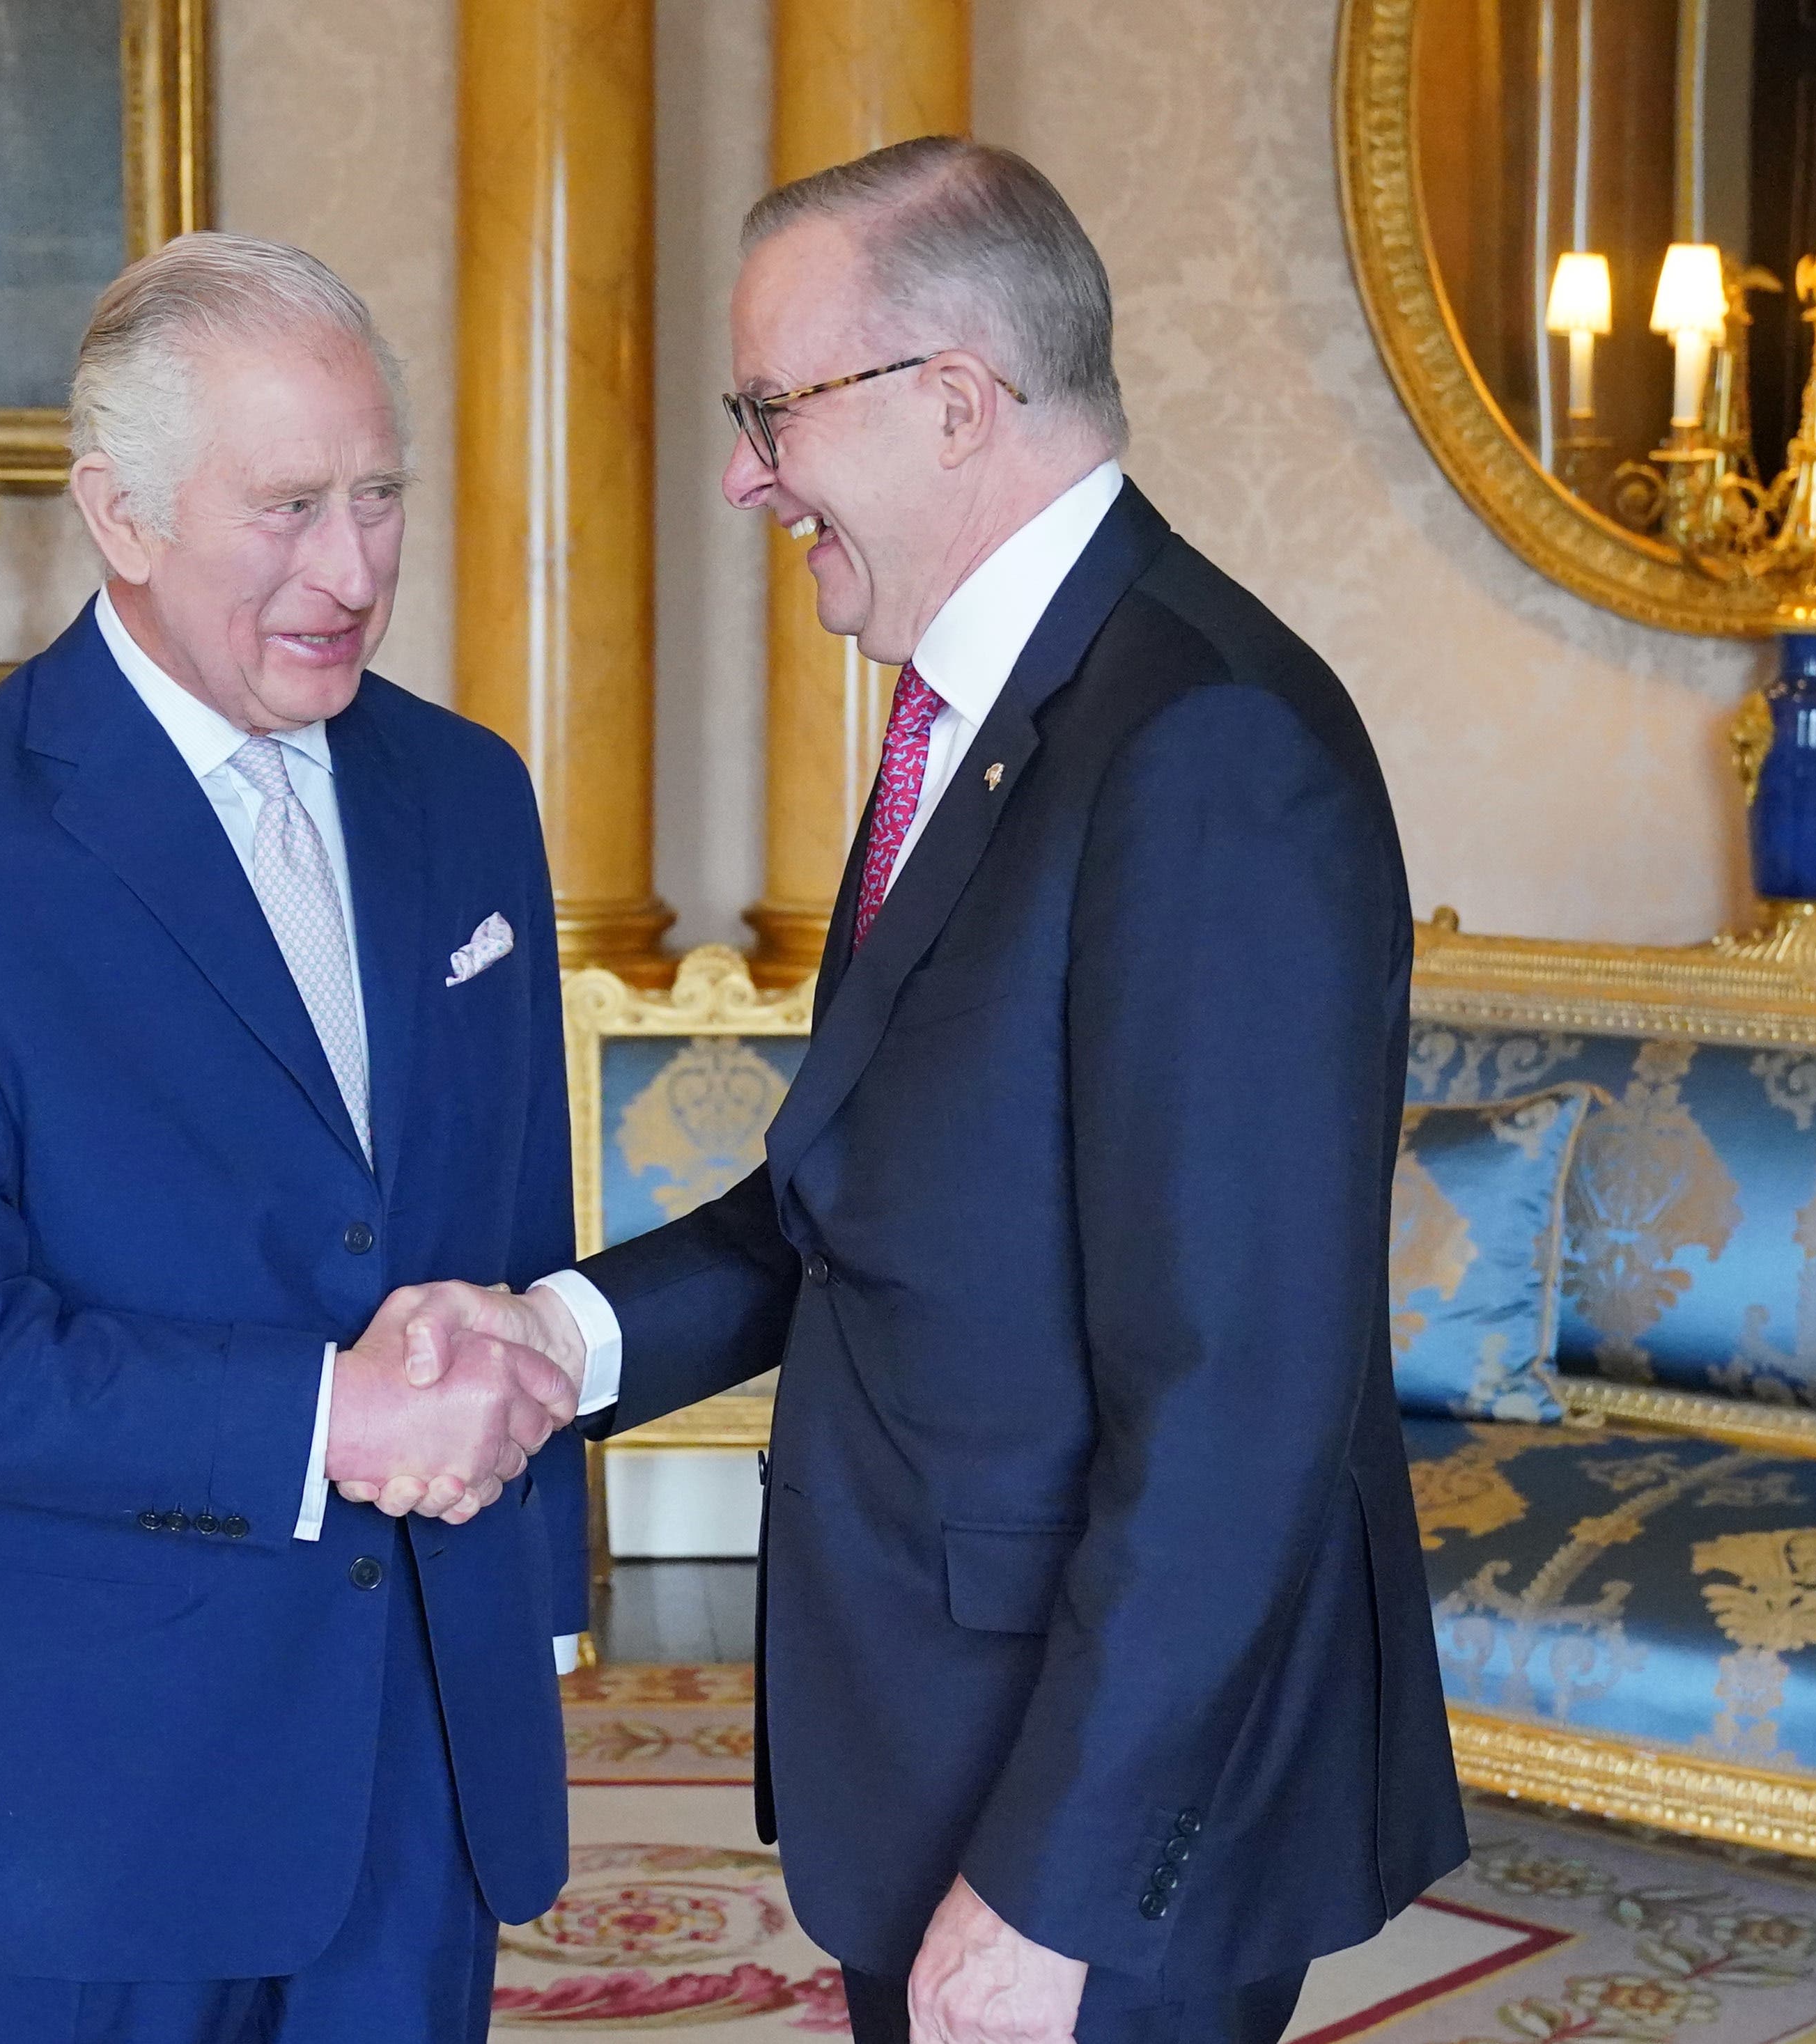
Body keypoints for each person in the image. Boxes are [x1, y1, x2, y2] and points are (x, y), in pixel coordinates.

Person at [394, 139, 1470, 2044]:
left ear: (953, 402)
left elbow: (1242, 1392)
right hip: (957, 1729)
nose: (743, 472)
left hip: (1097, 1803)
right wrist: (559, 1334)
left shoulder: (1201, 744)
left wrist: (1055, 1887)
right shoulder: (986, 719)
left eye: (771, 411)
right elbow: (869, 1198)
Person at [0, 231, 596, 2044]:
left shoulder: (470, 798)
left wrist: (527, 1623)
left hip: (412, 1756)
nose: (353, 566)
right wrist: (336, 1415)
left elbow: (512, 1226)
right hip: (76, 1792)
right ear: (122, 516)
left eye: (380, 496)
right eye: (289, 507)